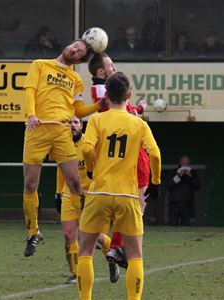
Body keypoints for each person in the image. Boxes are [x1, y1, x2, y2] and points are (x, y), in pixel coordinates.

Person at [77, 71, 162, 300]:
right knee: (135, 255)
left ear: (107, 94)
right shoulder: (138, 123)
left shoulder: (97, 119)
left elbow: (85, 149)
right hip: (128, 195)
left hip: (99, 192)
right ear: (129, 94)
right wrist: (155, 182)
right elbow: (155, 154)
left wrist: (92, 168)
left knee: (85, 251)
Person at [22, 39, 104, 258]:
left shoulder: (76, 79)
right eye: (75, 46)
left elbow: (78, 109)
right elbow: (30, 90)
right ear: (69, 46)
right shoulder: (40, 64)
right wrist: (31, 114)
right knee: (30, 184)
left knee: (75, 183)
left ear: (78, 60)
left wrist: (98, 105)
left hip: (61, 132)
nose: (75, 50)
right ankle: (33, 232)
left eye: (79, 52)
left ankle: (90, 228)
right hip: (37, 128)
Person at [88, 52, 150, 283]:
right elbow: (123, 110)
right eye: (110, 65)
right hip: (126, 155)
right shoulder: (103, 92)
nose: (114, 67)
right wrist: (139, 110)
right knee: (137, 206)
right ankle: (116, 246)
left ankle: (114, 246)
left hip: (108, 160)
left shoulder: (102, 93)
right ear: (101, 72)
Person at [54, 116, 115, 284]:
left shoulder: (90, 144)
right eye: (68, 122)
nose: (72, 126)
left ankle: (113, 255)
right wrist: (57, 193)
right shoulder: (61, 144)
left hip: (88, 196)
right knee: (68, 235)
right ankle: (75, 274)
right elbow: (61, 169)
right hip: (68, 195)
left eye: (75, 122)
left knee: (96, 237)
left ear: (81, 126)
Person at [166, 155, 201, 226]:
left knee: (186, 226)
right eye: (184, 163)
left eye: (187, 164)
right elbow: (169, 185)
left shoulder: (192, 173)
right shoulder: (173, 172)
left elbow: (197, 186)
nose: (185, 165)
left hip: (187, 205)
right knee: (173, 225)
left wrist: (191, 177)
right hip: (174, 204)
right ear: (180, 163)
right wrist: (179, 176)